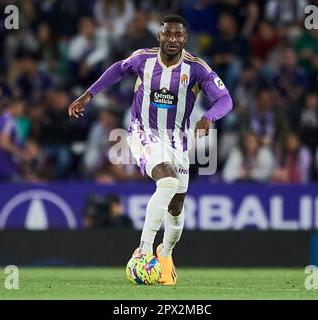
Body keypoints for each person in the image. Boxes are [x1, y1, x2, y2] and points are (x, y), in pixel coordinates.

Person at [68, 15, 233, 285]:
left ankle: (165, 254)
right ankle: (144, 252)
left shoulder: (196, 68)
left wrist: (208, 118)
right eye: (167, 34)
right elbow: (118, 69)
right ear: (159, 37)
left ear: (185, 39)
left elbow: (224, 98)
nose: (172, 39)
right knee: (167, 181)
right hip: (143, 132)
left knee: (177, 205)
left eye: (178, 35)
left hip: (178, 141)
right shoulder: (142, 59)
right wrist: (89, 94)